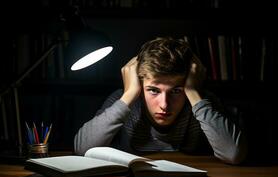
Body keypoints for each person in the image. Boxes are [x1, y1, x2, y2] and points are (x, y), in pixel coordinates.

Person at [74, 36, 248, 165]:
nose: (164, 104)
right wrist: (129, 95)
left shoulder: (202, 102)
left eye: (176, 91)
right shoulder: (124, 99)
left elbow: (233, 154)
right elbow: (82, 149)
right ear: (140, 84)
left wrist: (194, 93)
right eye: (153, 90)